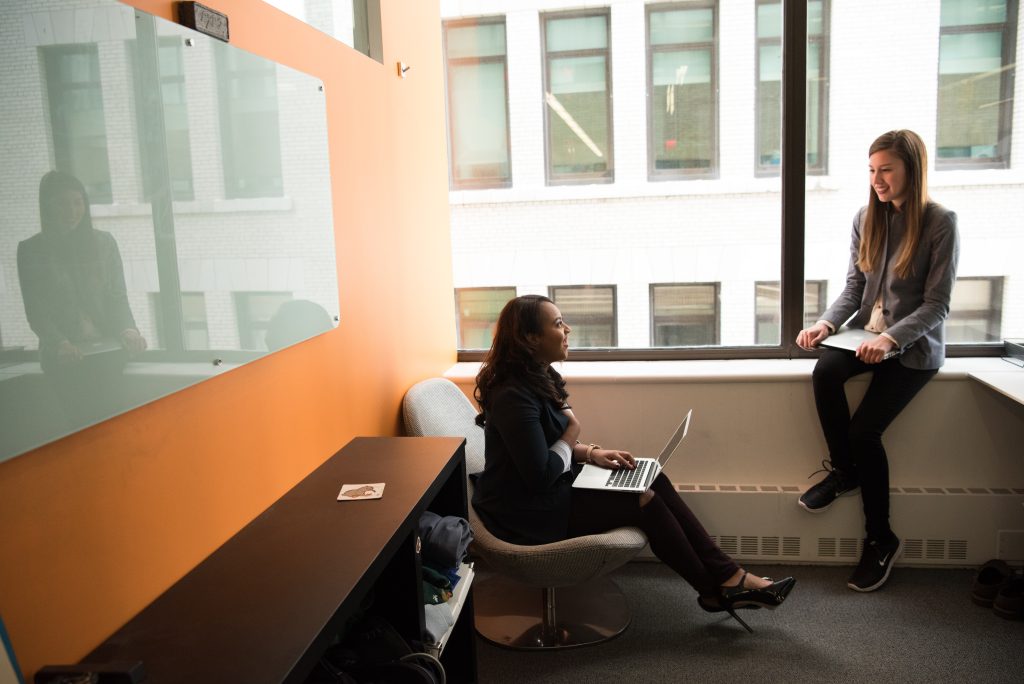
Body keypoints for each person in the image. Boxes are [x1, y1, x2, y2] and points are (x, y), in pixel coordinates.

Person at [472, 294, 795, 632]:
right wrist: (573, 432)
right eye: (557, 324)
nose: (567, 329)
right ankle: (719, 589)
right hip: (525, 510)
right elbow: (540, 474)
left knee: (653, 477)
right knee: (644, 502)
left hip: (548, 489)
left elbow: (548, 445)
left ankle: (730, 578)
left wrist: (592, 453)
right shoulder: (513, 395)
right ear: (529, 338)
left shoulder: (539, 376)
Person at [795, 129, 959, 592]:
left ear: (912, 169)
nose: (878, 179)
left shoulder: (941, 221)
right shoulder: (866, 217)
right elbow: (854, 288)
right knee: (825, 369)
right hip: (864, 337)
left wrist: (890, 340)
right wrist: (825, 325)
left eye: (886, 169)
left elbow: (937, 304)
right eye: (872, 170)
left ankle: (881, 539)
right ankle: (844, 471)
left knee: (866, 432)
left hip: (913, 349)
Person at [17, 170, 146, 425]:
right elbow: (36, 311)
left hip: (107, 353)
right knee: (83, 429)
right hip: (64, 360)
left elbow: (117, 297)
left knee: (112, 430)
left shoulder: (104, 243)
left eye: (78, 202)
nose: (72, 211)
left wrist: (128, 330)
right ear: (48, 206)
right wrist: (59, 343)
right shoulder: (31, 250)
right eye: (63, 203)